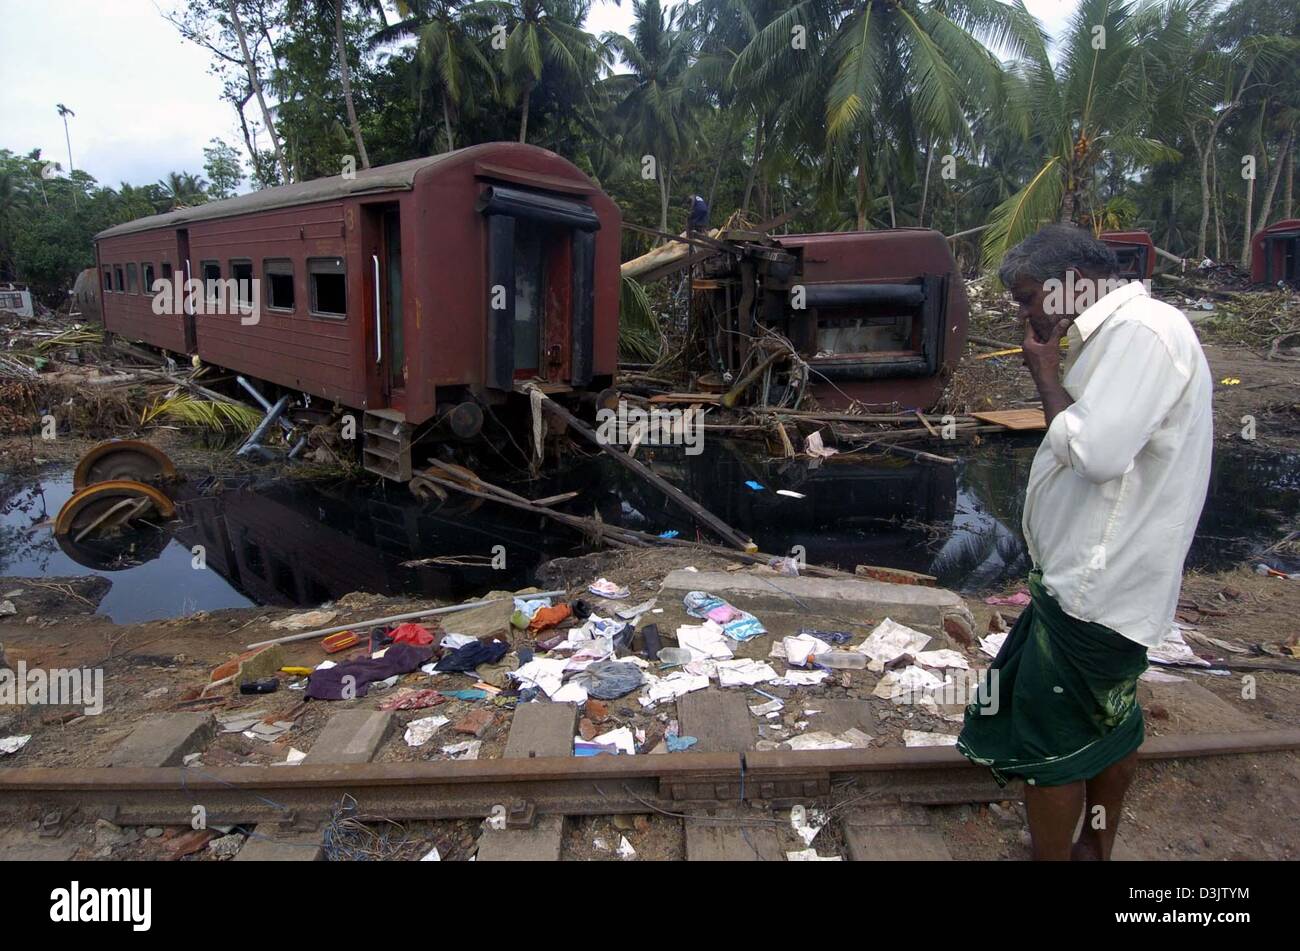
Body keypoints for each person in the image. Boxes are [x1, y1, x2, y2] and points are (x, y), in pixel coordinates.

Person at [957, 224, 1213, 860]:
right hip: (1101, 579)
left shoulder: (1140, 335)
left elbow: (1094, 455)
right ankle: (1094, 852)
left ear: (1069, 283)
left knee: (1055, 746)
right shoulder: (1130, 333)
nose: (1023, 313)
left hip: (1098, 587)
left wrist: (1045, 373)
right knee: (1110, 727)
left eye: (1025, 298)